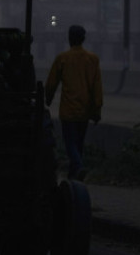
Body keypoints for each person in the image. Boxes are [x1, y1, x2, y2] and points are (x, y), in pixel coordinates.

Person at [44, 25, 103, 181]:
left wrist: (47, 99)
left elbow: (51, 84)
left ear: (69, 38)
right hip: (84, 111)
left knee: (70, 144)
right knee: (79, 143)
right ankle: (74, 176)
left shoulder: (62, 59)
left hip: (68, 111)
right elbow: (97, 87)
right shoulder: (92, 59)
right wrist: (97, 110)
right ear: (83, 39)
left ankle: (77, 166)